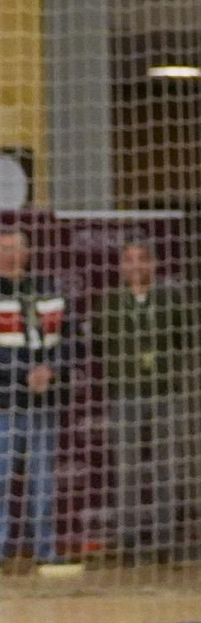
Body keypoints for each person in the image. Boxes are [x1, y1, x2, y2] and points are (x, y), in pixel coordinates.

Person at [0, 228, 79, 578]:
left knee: (43, 478)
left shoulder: (48, 288)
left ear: (27, 254)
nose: (9, 256)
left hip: (43, 401)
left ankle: (47, 552)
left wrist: (51, 369)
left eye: (15, 249)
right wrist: (25, 372)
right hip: (0, 403)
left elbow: (72, 339)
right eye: (3, 249)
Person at [96, 240, 198, 562]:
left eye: (143, 259)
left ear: (153, 265)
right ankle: (127, 539)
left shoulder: (171, 299)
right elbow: (101, 345)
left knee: (166, 466)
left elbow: (183, 341)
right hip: (126, 393)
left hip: (165, 391)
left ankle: (164, 538)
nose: (137, 265)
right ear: (122, 267)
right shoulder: (109, 302)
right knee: (127, 467)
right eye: (130, 260)